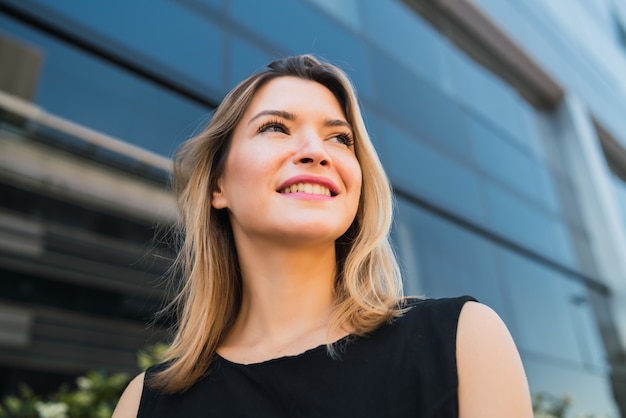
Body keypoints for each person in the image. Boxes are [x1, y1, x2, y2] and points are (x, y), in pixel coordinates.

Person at [112, 54, 533, 417]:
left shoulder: (463, 341)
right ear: (218, 186)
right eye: (276, 127)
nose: (317, 151)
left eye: (340, 138)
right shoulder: (143, 406)